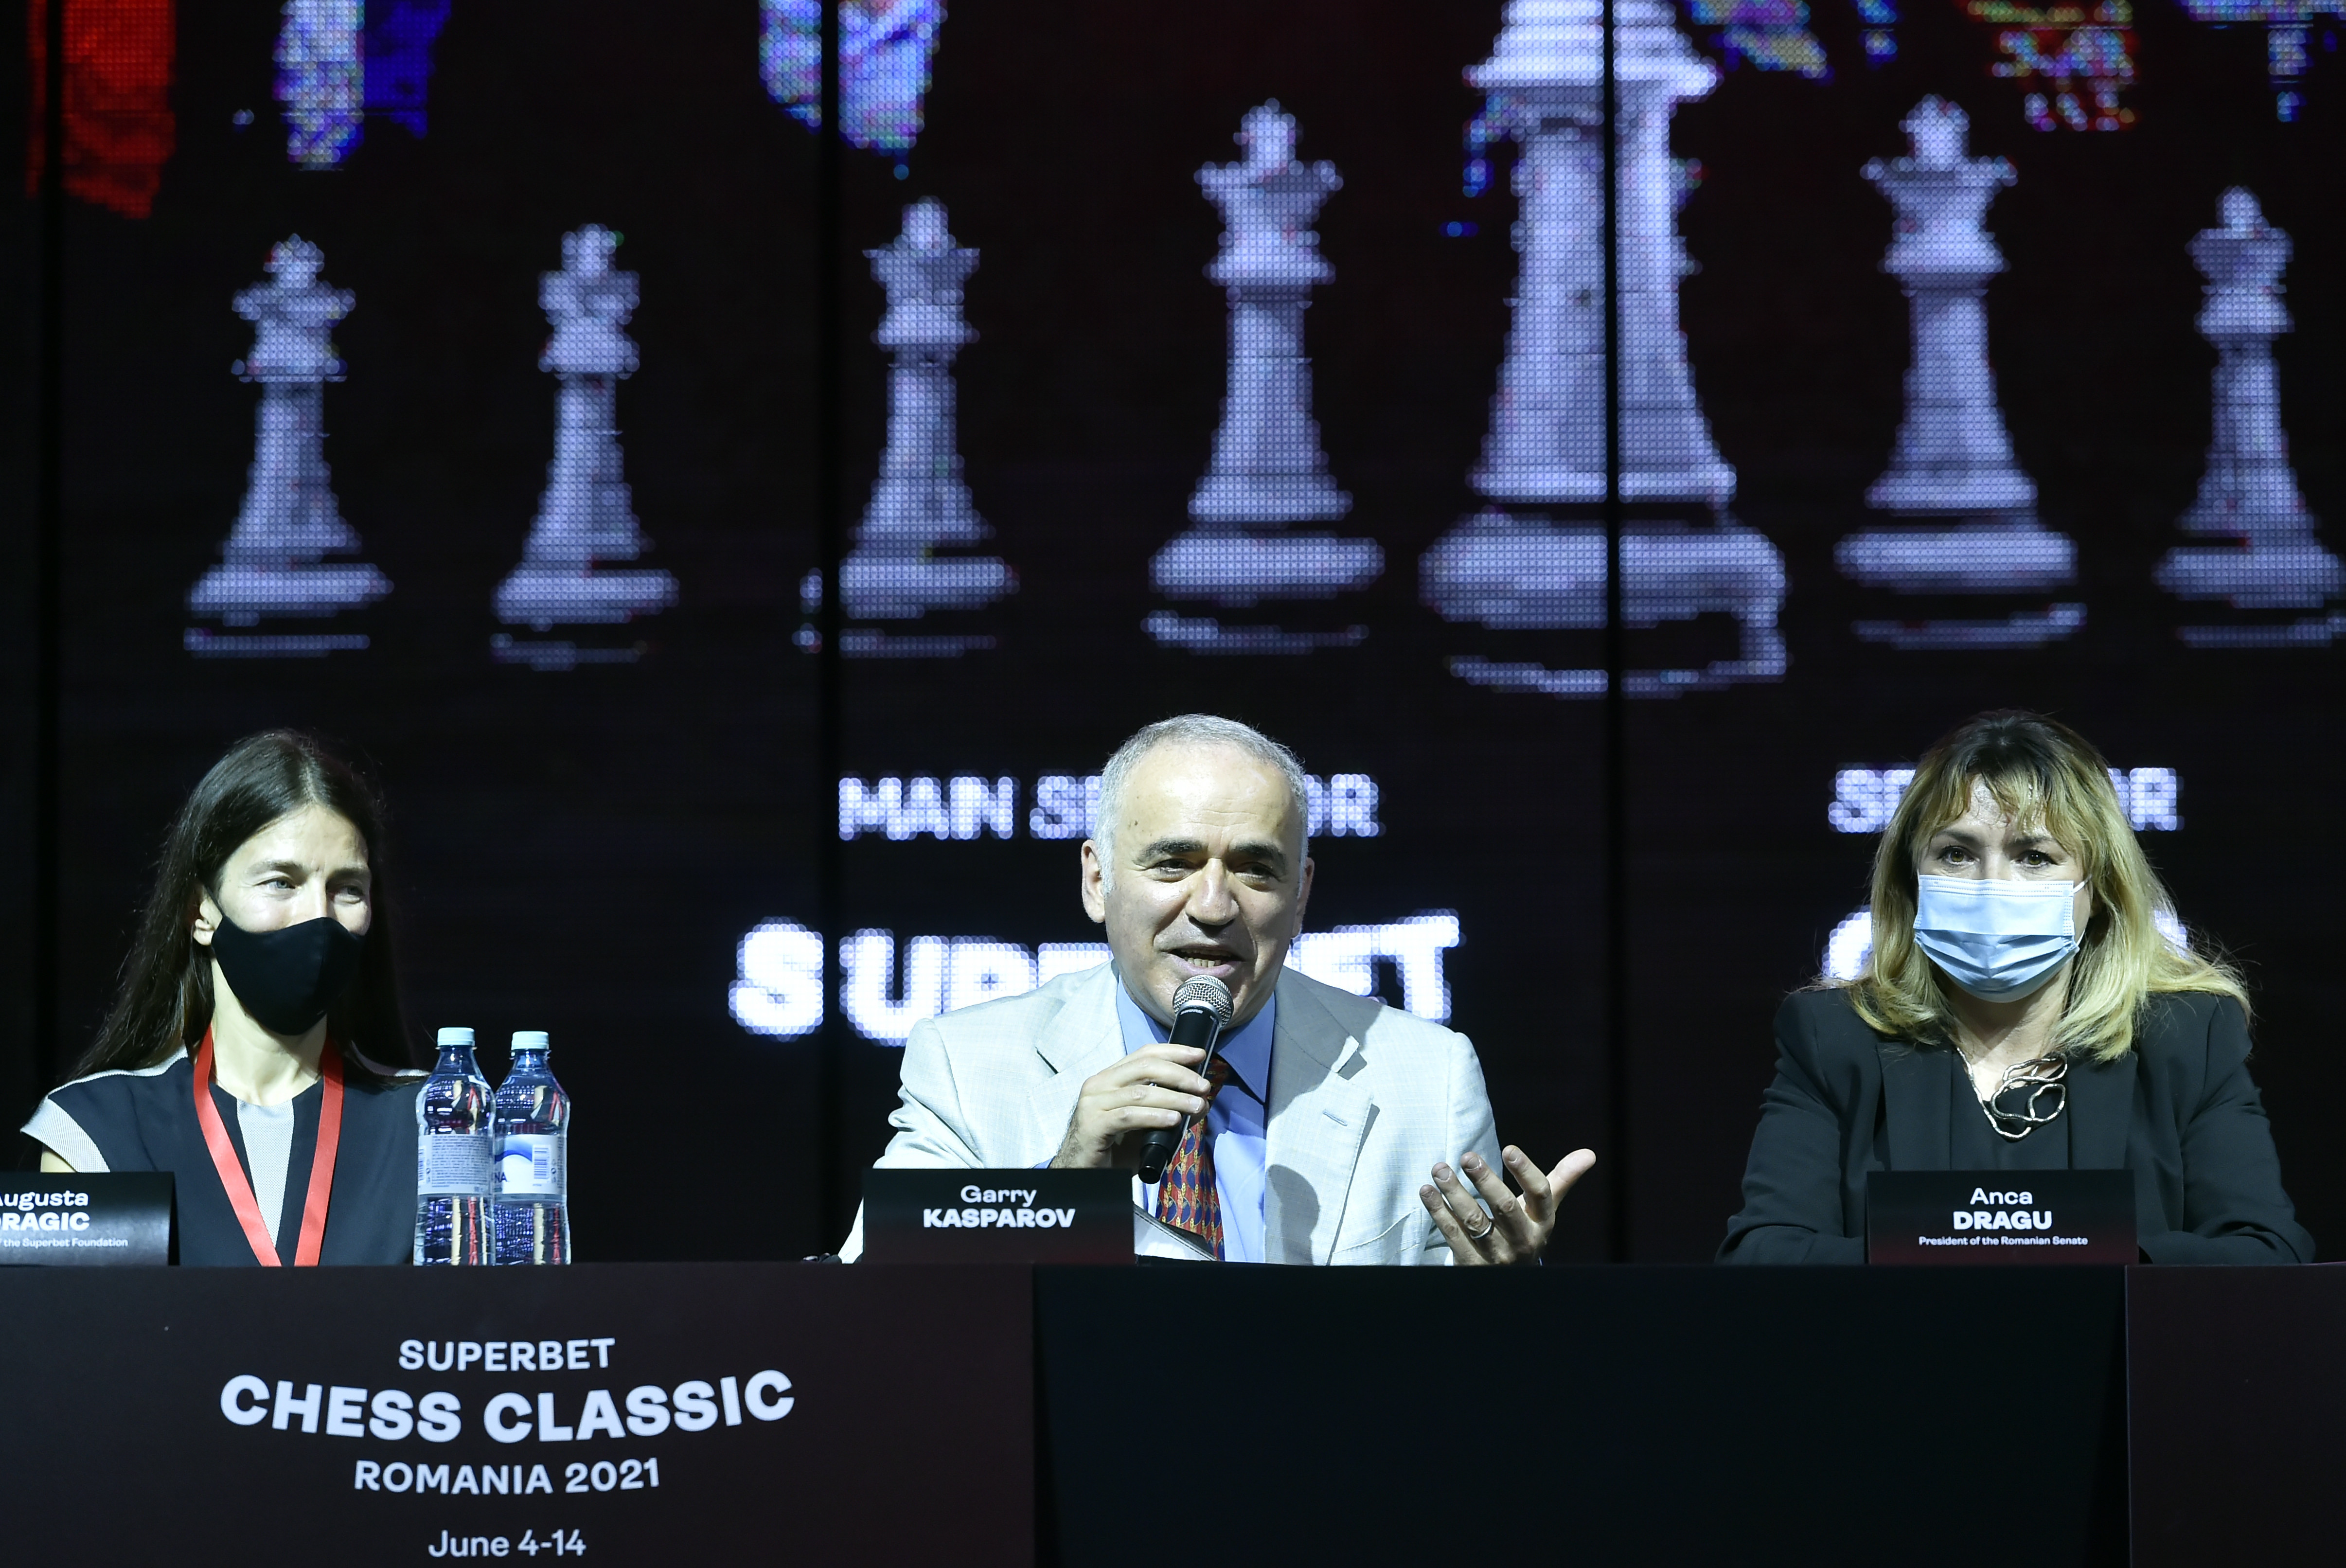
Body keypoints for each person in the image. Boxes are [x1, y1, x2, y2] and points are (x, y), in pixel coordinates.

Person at [841, 714, 1595, 1264]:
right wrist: (1064, 1189)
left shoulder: (1429, 1077)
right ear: (1098, 881)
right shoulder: (968, 1065)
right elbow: (874, 1309)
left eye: (1255, 869)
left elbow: (1465, 1364)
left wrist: (1498, 1301)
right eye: (1173, 863)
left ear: (1300, 895)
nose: (1212, 906)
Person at [1720, 710, 2312, 1265]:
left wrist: (2006, 1256)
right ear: (1911, 880)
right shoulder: (1832, 1038)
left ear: (2098, 889)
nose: (1991, 886)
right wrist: (2024, 1255)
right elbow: (1763, 1254)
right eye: (1956, 854)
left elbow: (2266, 1252)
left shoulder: (2186, 1038)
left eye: (2034, 856)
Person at [24, 731, 427, 1265]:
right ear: (201, 911)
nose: (319, 916)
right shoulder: (97, 1130)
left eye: (347, 888)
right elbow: (74, 1320)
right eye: (281, 882)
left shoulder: (437, 1123)